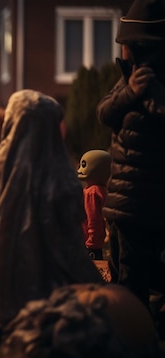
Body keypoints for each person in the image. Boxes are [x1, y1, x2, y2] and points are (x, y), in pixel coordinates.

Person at [0, 89, 103, 343]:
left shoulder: (0, 161)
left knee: (8, 285)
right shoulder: (58, 165)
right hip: (49, 250)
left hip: (6, 246)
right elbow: (74, 208)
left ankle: (4, 329)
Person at [96, 0, 165, 336]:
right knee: (123, 267)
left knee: (137, 272)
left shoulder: (154, 81)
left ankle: (136, 332)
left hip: (144, 198)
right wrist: (131, 92)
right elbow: (105, 112)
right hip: (124, 199)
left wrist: (149, 94)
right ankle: (131, 326)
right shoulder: (129, 80)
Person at [76, 149, 111, 261]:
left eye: (84, 165)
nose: (79, 169)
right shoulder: (103, 190)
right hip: (95, 245)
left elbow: (94, 219)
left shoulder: (91, 192)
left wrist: (91, 243)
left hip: (90, 246)